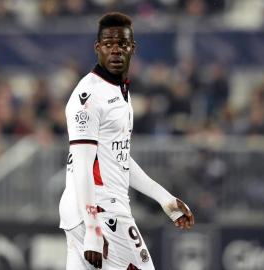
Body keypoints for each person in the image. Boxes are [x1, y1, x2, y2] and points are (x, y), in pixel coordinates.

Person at [59, 12, 194, 270]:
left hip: (86, 210)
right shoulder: (88, 97)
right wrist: (92, 229)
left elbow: (117, 157)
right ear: (98, 48)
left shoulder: (120, 92)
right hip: (100, 211)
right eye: (109, 44)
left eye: (122, 44)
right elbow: (83, 164)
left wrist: (163, 198)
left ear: (133, 48)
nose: (116, 50)